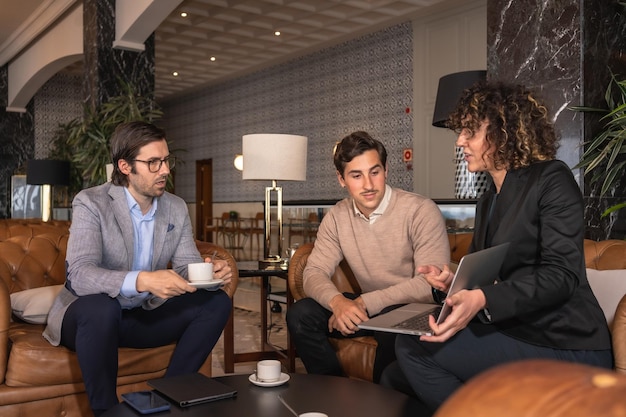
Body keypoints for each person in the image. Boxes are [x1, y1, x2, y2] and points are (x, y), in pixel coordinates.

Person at [384, 82, 613, 412]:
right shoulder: (488, 200)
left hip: (567, 342)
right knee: (394, 377)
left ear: (504, 131)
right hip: (518, 331)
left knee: (412, 350)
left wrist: (483, 297)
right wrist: (453, 284)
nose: (460, 141)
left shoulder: (551, 179)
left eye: (470, 131)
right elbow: (486, 276)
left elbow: (561, 276)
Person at [43, 121, 233, 416]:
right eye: (153, 163)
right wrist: (143, 280)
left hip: (142, 315)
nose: (165, 170)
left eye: (166, 160)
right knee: (101, 309)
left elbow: (185, 265)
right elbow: (79, 274)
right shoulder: (91, 202)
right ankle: (107, 412)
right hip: (90, 319)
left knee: (216, 302)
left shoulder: (176, 207)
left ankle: (166, 400)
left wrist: (209, 270)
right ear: (125, 166)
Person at [286, 131, 450, 383]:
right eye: (356, 175)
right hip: (370, 307)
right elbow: (313, 272)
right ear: (341, 179)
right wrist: (338, 302)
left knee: (392, 328)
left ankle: (381, 404)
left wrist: (363, 303)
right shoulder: (337, 216)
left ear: (386, 170)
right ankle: (332, 389)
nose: (368, 184)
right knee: (301, 314)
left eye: (375, 172)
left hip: (412, 309)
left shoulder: (420, 210)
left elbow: (428, 285)